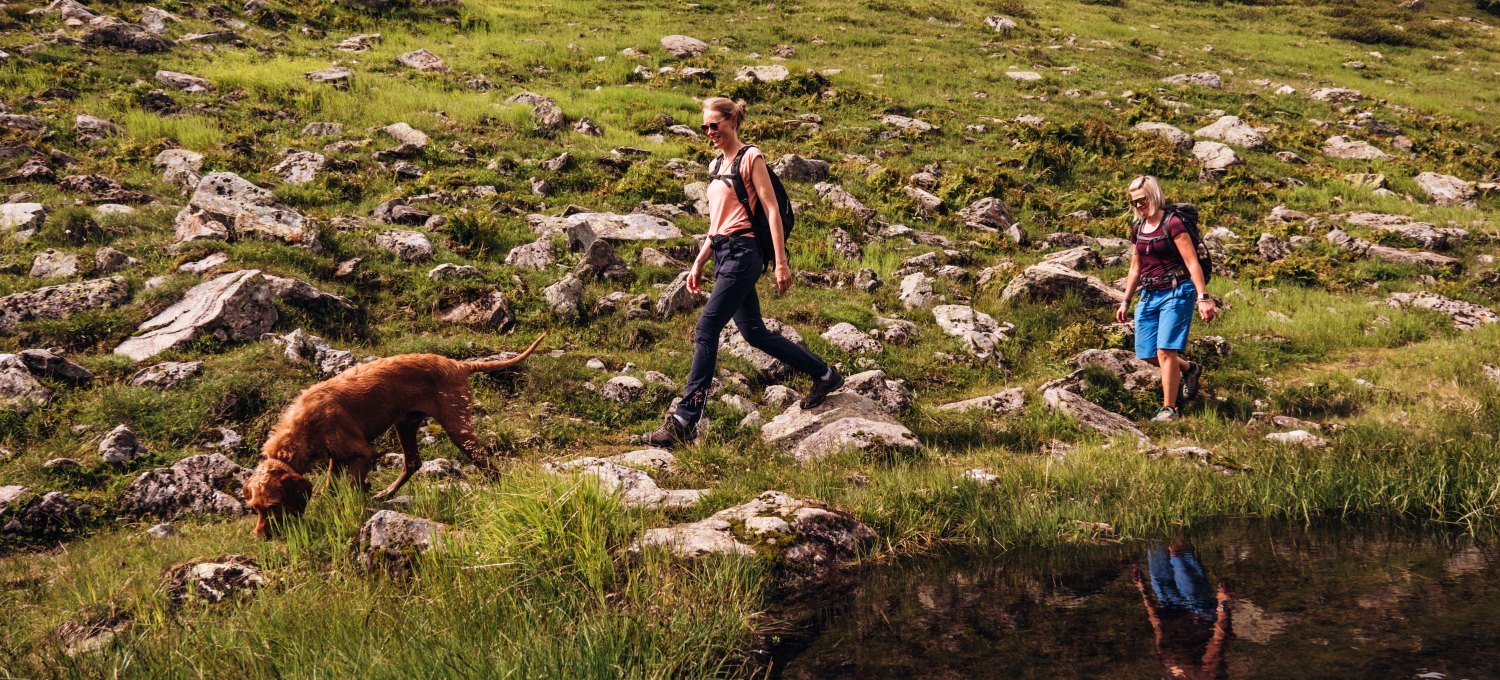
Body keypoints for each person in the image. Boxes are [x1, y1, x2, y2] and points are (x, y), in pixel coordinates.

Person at [644, 97, 843, 448]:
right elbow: (716, 223)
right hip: (723, 252)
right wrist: (700, 261)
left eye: (714, 125)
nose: (709, 132)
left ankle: (684, 420)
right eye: (704, 127)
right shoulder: (714, 166)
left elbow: (771, 211)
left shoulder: (752, 157)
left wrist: (781, 262)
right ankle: (825, 374)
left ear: (732, 120)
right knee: (753, 332)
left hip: (744, 253)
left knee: (706, 327)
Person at [1115, 175, 1218, 422]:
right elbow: (1135, 268)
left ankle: (1169, 409)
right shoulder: (1138, 229)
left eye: (1143, 200)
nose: (1139, 206)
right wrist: (1126, 300)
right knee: (1147, 354)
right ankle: (1190, 369)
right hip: (1149, 295)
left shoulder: (1173, 224)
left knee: (1165, 352)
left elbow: (1192, 263)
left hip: (1177, 291)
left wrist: (1203, 298)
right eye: (1135, 203)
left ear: (1155, 195)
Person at [1132, 539, 1232, 680]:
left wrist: (1143, 591)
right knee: (1178, 554)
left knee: (1155, 547)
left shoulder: (1169, 673)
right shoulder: (1204, 676)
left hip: (1168, 605)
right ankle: (1184, 529)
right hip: (1198, 610)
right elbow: (1217, 639)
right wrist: (1222, 604)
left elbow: (1158, 627)